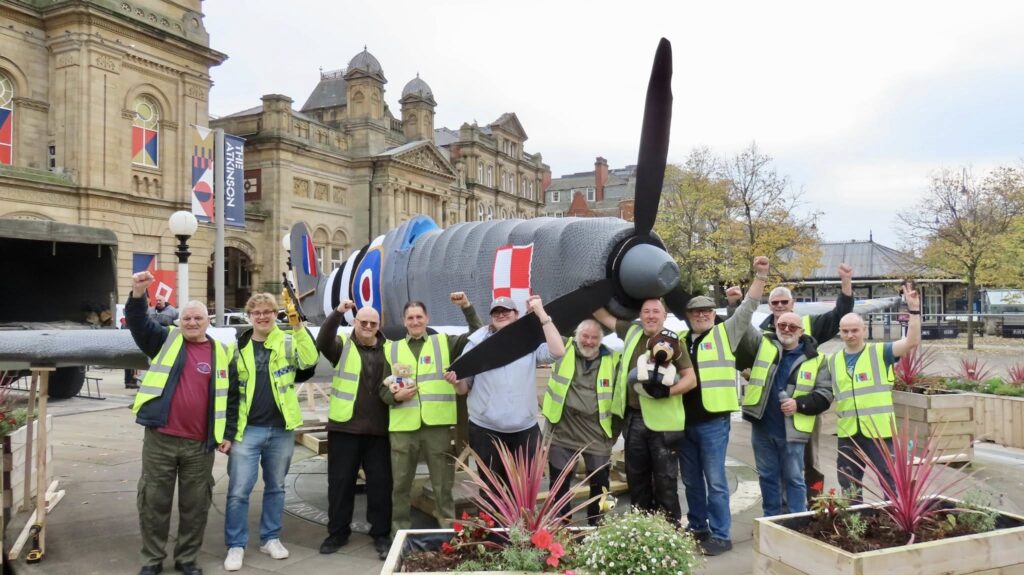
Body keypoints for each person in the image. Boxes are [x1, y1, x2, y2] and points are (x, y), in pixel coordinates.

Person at [126, 271, 238, 575]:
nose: (191, 322)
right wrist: (138, 293)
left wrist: (227, 433)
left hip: (200, 444)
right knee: (153, 503)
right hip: (161, 439)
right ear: (180, 320)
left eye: (197, 318)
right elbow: (137, 323)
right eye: (186, 318)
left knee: (196, 505)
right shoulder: (164, 340)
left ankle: (187, 559)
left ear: (207, 321)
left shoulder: (222, 352)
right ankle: (152, 560)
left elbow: (232, 398)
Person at [736, 263, 855, 504]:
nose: (780, 307)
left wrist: (845, 282)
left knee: (808, 463)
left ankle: (812, 504)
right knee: (771, 469)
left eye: (784, 303)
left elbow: (839, 314)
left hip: (804, 412)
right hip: (769, 416)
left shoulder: (810, 325)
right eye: (775, 303)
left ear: (793, 304)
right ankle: (778, 511)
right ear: (769, 306)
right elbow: (741, 350)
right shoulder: (762, 333)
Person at [676, 256, 768, 556]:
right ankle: (698, 526)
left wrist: (760, 276)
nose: (700, 315)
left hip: (713, 421)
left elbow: (748, 307)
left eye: (705, 311)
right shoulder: (678, 340)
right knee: (691, 480)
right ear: (688, 316)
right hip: (683, 421)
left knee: (715, 481)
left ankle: (721, 534)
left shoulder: (724, 333)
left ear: (713, 314)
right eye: (695, 312)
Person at [222, 293, 319, 571]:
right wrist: (226, 432)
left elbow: (310, 359)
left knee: (276, 487)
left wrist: (298, 326)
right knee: (239, 490)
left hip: (281, 430)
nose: (262, 316)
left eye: (268, 312)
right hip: (247, 430)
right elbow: (228, 392)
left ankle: (270, 538)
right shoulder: (238, 347)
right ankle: (236, 545)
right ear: (249, 316)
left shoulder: (287, 340)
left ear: (276, 314)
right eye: (257, 312)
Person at [381, 293, 482, 538]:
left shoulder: (443, 343)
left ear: (427, 318)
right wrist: (396, 397)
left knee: (442, 485)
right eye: (410, 318)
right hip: (403, 428)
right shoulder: (392, 349)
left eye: (419, 317)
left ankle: (447, 534)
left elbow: (477, 335)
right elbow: (382, 389)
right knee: (400, 485)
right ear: (404, 321)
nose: (415, 321)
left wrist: (467, 307)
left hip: (436, 426)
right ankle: (399, 534)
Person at [447, 295, 565, 498]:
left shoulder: (528, 341)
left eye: (506, 311)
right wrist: (456, 381)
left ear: (516, 314)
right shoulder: (477, 343)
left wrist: (541, 313)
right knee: (490, 491)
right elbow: (463, 388)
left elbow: (558, 351)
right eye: (496, 312)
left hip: (524, 429)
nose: (501, 314)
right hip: (486, 430)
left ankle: (521, 530)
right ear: (491, 316)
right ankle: (494, 530)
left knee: (524, 490)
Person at [593, 298, 696, 525]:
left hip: (663, 423)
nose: (650, 316)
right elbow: (602, 316)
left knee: (665, 481)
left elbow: (690, 379)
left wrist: (668, 393)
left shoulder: (673, 341)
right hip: (633, 419)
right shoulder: (630, 332)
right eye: (646, 311)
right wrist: (592, 292)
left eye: (655, 312)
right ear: (639, 315)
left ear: (664, 316)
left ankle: (669, 530)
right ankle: (641, 529)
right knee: (636, 479)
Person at [315, 302, 392, 559]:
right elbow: (322, 340)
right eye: (363, 322)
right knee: (340, 484)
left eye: (373, 323)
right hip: (345, 427)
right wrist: (337, 313)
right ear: (355, 323)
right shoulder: (341, 347)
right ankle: (337, 532)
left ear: (379, 326)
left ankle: (381, 534)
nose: (368, 327)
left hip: (379, 430)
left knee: (380, 485)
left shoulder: (392, 349)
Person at [742, 311, 833, 517]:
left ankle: (796, 521)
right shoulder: (763, 347)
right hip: (763, 428)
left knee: (794, 478)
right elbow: (742, 327)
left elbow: (825, 395)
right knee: (767, 477)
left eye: (793, 326)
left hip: (793, 432)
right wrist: (735, 304)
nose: (786, 330)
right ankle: (771, 520)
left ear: (801, 332)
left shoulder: (816, 359)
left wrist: (798, 404)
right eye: (782, 325)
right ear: (775, 326)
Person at [833, 286, 921, 499]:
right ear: (839, 331)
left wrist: (915, 312)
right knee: (848, 484)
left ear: (864, 330)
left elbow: (911, 342)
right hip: (848, 433)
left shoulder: (880, 352)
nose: (850, 335)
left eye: (854, 330)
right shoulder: (833, 360)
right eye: (845, 331)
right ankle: (855, 523)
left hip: (879, 432)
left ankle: (893, 521)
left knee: (890, 482)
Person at [541, 319, 621, 525]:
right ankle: (561, 525)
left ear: (601, 340)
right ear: (577, 335)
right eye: (585, 336)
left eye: (594, 337)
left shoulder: (613, 359)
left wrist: (615, 432)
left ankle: (601, 524)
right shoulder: (562, 349)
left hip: (596, 431)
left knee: (603, 484)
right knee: (558, 483)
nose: (589, 341)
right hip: (563, 428)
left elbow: (620, 398)